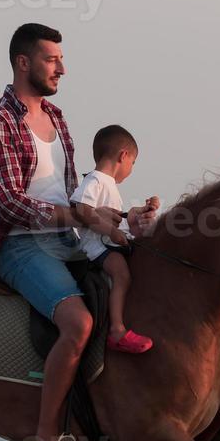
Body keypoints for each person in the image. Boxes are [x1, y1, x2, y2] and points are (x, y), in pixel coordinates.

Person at [0, 23, 157, 441]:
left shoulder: (58, 117)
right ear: (23, 62)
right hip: (18, 244)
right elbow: (5, 200)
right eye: (52, 59)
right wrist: (80, 219)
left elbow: (74, 194)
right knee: (78, 323)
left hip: (66, 239)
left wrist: (122, 220)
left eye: (61, 59)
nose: (61, 68)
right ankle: (47, 440)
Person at [71, 124, 161, 354]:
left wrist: (136, 214)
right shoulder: (96, 180)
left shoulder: (106, 183)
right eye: (133, 163)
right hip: (96, 246)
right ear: (124, 155)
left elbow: (112, 216)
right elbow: (82, 210)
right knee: (122, 275)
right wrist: (112, 233)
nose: (131, 169)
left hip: (105, 243)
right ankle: (117, 330)